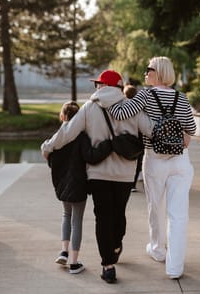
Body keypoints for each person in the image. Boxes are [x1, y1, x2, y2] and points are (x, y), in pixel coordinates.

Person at [41, 70, 155, 284]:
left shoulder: (89, 107)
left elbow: (67, 133)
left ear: (103, 86)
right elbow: (151, 130)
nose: (96, 88)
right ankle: (116, 245)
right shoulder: (131, 108)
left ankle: (107, 266)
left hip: (98, 173)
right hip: (125, 173)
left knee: (103, 216)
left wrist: (47, 147)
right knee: (119, 213)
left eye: (98, 84)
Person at [109, 57, 196, 279]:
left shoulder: (146, 95)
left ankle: (157, 250)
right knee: (178, 215)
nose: (145, 73)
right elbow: (192, 129)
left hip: (155, 159)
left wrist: (107, 95)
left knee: (155, 208)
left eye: (149, 69)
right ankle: (175, 268)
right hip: (180, 160)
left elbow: (119, 114)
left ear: (158, 73)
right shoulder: (181, 97)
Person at [47, 101, 112, 274]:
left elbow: (50, 159)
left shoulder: (57, 138)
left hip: (62, 185)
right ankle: (74, 263)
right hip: (79, 185)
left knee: (66, 215)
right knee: (77, 221)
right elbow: (91, 156)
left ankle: (63, 251)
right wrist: (107, 145)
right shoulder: (82, 138)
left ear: (62, 116)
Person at [123, 84, 144, 192]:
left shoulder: (123, 106)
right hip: (139, 139)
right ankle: (133, 184)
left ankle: (126, 182)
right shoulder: (139, 106)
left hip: (126, 137)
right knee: (138, 161)